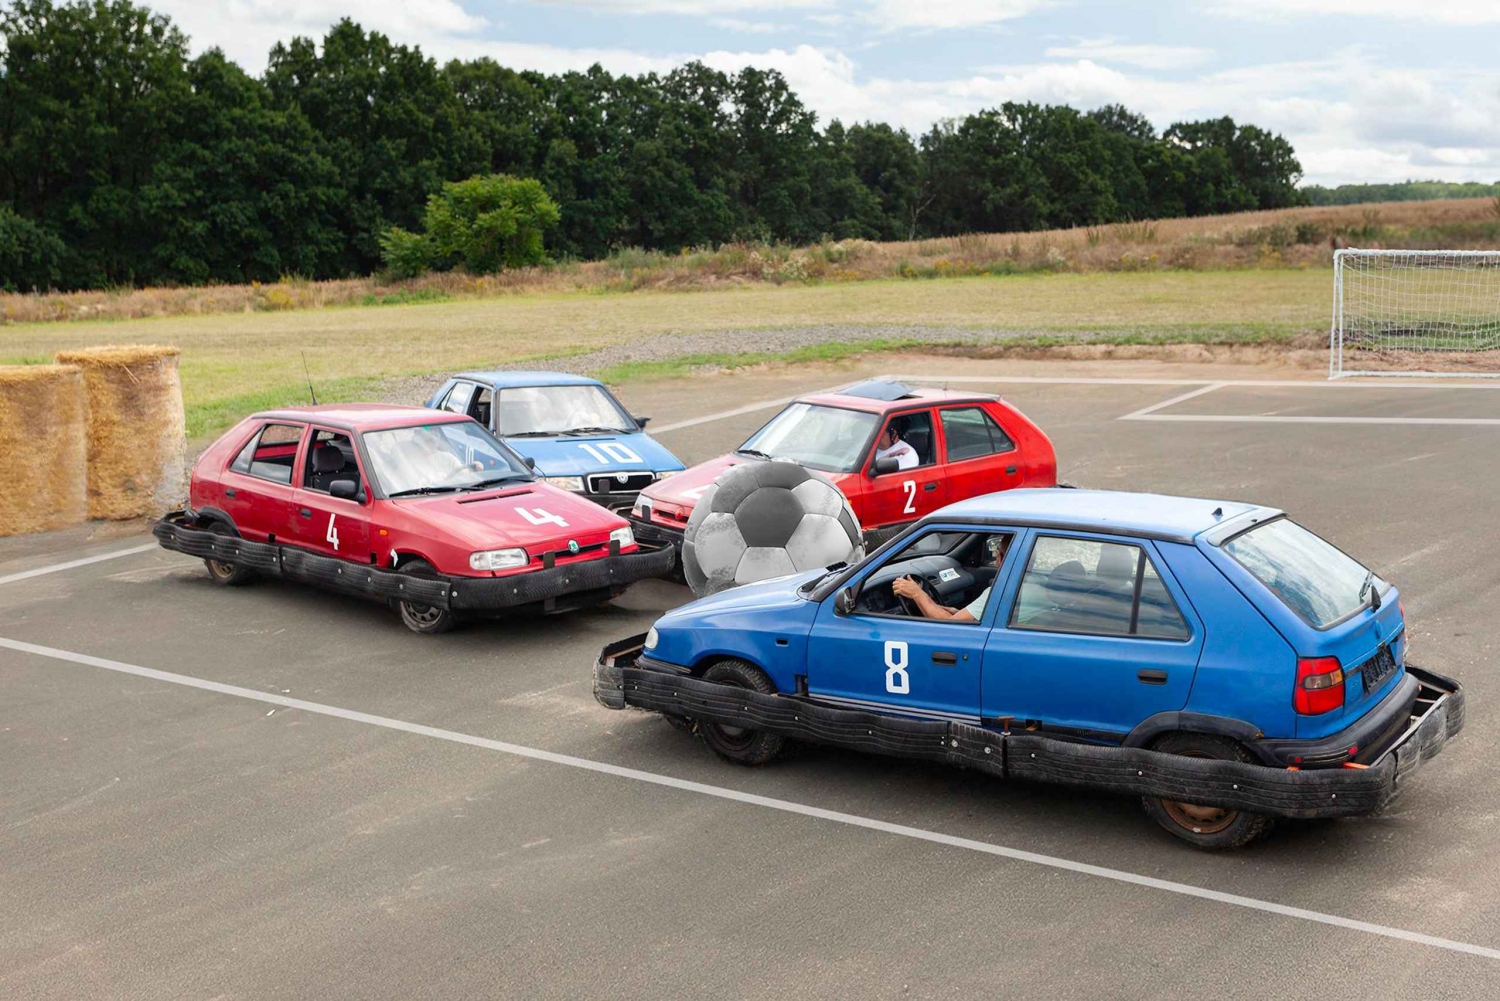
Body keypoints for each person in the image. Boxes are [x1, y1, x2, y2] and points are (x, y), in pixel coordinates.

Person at [892, 535, 1008, 623]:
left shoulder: (1001, 593)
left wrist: (917, 594)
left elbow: (952, 626)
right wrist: (957, 612)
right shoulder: (1021, 587)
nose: (995, 555)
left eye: (996, 550)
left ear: (1002, 558)